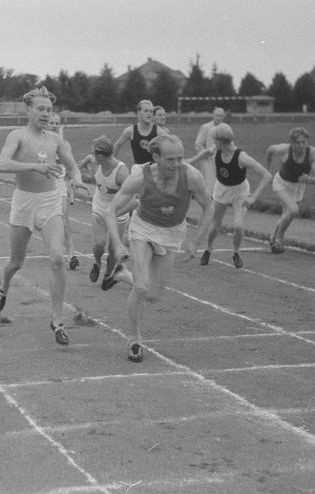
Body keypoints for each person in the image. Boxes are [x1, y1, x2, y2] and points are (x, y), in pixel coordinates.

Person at [101, 134, 214, 362]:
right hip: (143, 228)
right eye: (170, 159)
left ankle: (123, 274)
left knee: (152, 295)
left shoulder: (192, 176)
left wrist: (196, 241)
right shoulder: (139, 179)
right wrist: (116, 243)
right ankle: (135, 340)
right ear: (155, 157)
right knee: (141, 289)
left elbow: (209, 207)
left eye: (180, 158)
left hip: (172, 233)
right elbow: (109, 211)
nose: (176, 164)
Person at [0, 86, 89, 345]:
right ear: (29, 110)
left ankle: (57, 321)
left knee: (57, 259)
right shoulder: (18, 136)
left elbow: (72, 166)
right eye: (41, 109)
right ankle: (4, 284)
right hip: (24, 202)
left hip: (49, 202)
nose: (46, 114)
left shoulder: (56, 140)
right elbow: (2, 164)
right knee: (15, 262)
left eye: (49, 109)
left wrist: (78, 180)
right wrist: (35, 165)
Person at [191, 123, 272, 269]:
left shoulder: (242, 157)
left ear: (220, 141)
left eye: (215, 140)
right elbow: (207, 153)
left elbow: (267, 175)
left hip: (240, 191)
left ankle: (235, 252)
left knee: (238, 225)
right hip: (221, 189)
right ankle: (208, 249)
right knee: (215, 225)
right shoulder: (217, 149)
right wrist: (191, 160)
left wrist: (253, 197)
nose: (213, 143)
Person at [78, 135, 133, 288]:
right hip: (99, 207)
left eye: (94, 154)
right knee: (100, 244)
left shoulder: (121, 172)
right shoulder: (96, 161)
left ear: (101, 155)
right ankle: (96, 263)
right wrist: (81, 165)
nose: (92, 157)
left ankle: (108, 275)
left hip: (118, 211)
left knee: (113, 247)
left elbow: (132, 200)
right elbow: (89, 158)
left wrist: (111, 214)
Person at [265, 127, 315, 253]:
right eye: (298, 142)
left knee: (288, 213)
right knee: (293, 210)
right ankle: (279, 240)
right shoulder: (285, 150)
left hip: (298, 187)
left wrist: (309, 180)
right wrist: (267, 171)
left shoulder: (313, 153)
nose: (302, 145)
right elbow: (270, 150)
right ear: (292, 143)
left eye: (304, 142)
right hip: (281, 183)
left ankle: (274, 234)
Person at [48, 113, 79, 270]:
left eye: (57, 123)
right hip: (42, 186)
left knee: (64, 219)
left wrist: (73, 181)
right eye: (51, 122)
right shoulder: (38, 142)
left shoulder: (65, 145)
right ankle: (55, 247)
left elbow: (71, 167)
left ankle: (72, 255)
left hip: (59, 184)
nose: (54, 125)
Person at [111, 99, 163, 172]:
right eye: (146, 111)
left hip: (154, 169)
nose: (149, 113)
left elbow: (171, 147)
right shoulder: (130, 131)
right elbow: (117, 145)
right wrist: (112, 163)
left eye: (151, 111)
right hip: (138, 169)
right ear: (138, 113)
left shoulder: (159, 131)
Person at [192, 107, 227, 193]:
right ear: (213, 116)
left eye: (221, 116)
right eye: (217, 116)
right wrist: (206, 154)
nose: (219, 118)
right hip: (208, 160)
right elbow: (198, 144)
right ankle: (209, 202)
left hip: (222, 159)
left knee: (221, 183)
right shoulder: (206, 127)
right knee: (209, 184)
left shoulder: (224, 128)